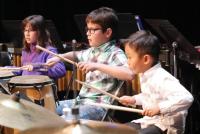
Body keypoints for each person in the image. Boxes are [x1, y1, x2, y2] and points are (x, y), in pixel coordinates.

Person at [47, 7, 134, 120]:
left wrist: (97, 66)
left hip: (97, 107)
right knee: (46, 109)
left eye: (92, 30)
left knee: (63, 120)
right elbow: (76, 54)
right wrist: (60, 57)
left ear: (107, 32)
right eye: (87, 29)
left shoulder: (115, 53)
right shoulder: (91, 51)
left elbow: (129, 74)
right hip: (79, 103)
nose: (88, 34)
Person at [119, 30, 194, 134]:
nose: (128, 61)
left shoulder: (162, 77)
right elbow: (150, 96)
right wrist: (134, 99)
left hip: (166, 125)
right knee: (119, 131)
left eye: (130, 57)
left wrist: (159, 108)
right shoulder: (145, 74)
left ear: (146, 59)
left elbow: (186, 98)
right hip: (150, 121)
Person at [13, 15, 66, 80]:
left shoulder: (49, 51)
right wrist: (8, 69)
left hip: (40, 89)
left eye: (31, 30)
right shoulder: (25, 51)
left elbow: (60, 70)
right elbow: (24, 70)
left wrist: (37, 67)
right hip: (25, 86)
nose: (27, 34)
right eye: (25, 30)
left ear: (40, 32)